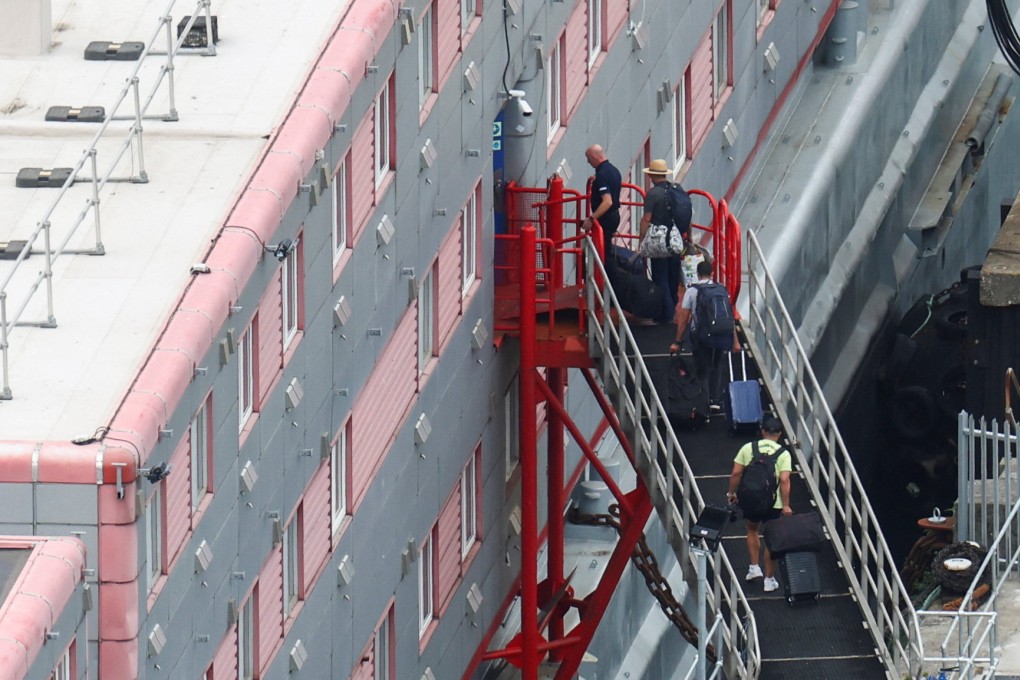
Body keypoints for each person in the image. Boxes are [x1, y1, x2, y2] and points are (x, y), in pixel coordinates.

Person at [726, 417, 793, 592]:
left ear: (762, 431)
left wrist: (732, 493)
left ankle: (754, 568)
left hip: (751, 499)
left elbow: (736, 473)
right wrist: (786, 505)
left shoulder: (748, 448)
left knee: (752, 529)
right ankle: (769, 580)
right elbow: (784, 480)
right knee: (771, 538)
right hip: (774, 503)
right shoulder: (783, 454)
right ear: (779, 434)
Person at [669, 260, 741, 411]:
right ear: (712, 273)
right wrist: (735, 341)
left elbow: (684, 319)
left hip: (701, 336)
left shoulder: (692, 291)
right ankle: (715, 400)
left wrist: (677, 341)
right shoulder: (722, 289)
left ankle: (703, 403)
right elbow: (729, 317)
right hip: (721, 334)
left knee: (702, 369)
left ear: (697, 274)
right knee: (717, 365)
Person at [639, 159, 683, 323]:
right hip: (676, 239)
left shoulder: (653, 194)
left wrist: (641, 240)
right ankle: (673, 307)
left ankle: (666, 313)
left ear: (652, 175)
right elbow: (686, 215)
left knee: (660, 277)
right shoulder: (676, 189)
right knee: (673, 276)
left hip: (658, 241)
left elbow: (646, 218)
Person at [582, 144, 622, 260]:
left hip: (606, 219)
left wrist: (591, 218)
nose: (588, 163)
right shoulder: (614, 170)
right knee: (606, 249)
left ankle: (606, 275)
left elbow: (607, 201)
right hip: (614, 215)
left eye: (588, 159)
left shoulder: (602, 175)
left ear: (593, 158)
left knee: (603, 253)